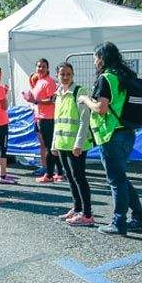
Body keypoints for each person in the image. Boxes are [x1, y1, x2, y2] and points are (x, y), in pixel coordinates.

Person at [82, 42, 142, 236]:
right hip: (127, 131)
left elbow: (101, 108)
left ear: (102, 59)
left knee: (116, 180)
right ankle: (140, 216)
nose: (94, 62)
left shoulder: (106, 78)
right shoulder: (125, 76)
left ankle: (118, 222)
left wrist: (85, 100)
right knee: (121, 178)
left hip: (111, 134)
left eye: (95, 58)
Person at [52, 62, 95, 226]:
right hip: (62, 143)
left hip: (76, 145)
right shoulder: (59, 93)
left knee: (79, 177)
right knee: (70, 177)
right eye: (62, 74)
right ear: (57, 75)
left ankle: (87, 214)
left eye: (68, 74)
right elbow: (57, 121)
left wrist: (79, 143)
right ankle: (77, 209)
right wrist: (54, 144)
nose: (65, 77)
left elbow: (84, 120)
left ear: (73, 75)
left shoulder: (79, 92)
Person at [25, 59, 64, 182]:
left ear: (48, 68)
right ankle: (59, 173)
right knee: (48, 146)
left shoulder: (49, 82)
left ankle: (49, 174)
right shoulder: (39, 81)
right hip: (39, 117)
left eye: (43, 67)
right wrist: (29, 97)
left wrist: (35, 101)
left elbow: (52, 100)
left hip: (48, 118)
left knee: (49, 147)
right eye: (39, 66)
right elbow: (37, 98)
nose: (40, 69)